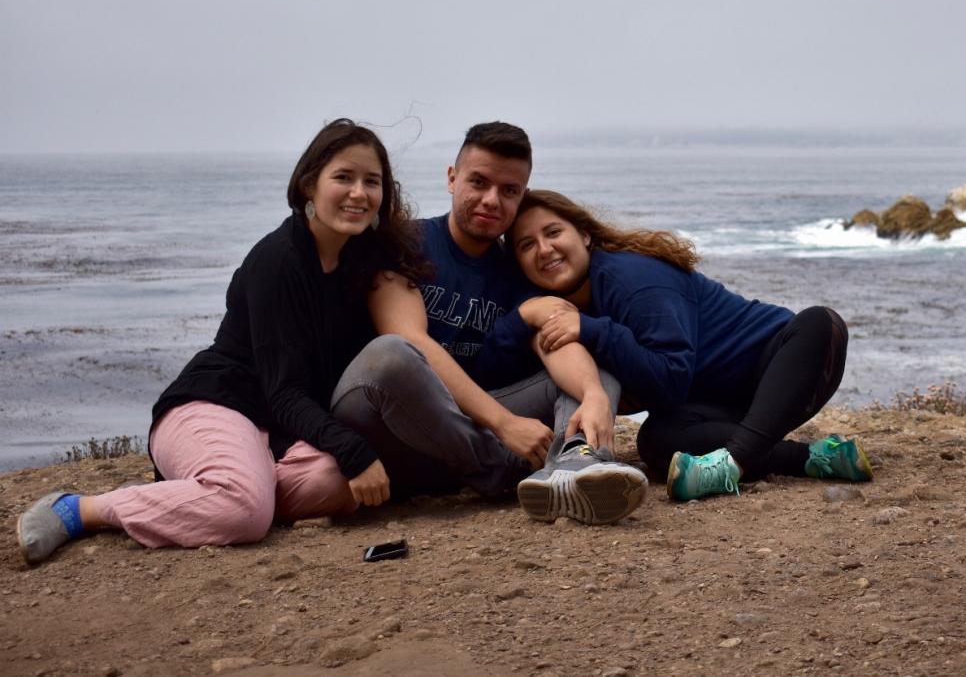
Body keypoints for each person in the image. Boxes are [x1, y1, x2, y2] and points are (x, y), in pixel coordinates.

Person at [18, 119, 432, 565]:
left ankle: (222, 492)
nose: (359, 192)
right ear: (310, 185)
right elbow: (285, 391)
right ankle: (82, 508)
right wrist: (352, 449)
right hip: (212, 406)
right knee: (249, 512)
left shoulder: (359, 263)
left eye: (372, 182)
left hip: (273, 430)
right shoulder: (277, 261)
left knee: (336, 482)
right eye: (344, 177)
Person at [476, 189, 872, 502]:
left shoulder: (633, 277)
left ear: (583, 234)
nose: (544, 249)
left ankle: (730, 464)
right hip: (720, 405)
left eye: (553, 232)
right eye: (526, 246)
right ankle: (821, 457)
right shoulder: (552, 307)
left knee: (821, 321)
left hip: (782, 369)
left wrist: (594, 330)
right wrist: (523, 315)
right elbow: (491, 371)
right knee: (657, 441)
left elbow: (669, 380)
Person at [361, 123, 648, 525]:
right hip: (385, 421)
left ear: (521, 196)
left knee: (593, 362)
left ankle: (575, 464)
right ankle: (503, 471)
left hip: (459, 434)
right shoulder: (406, 241)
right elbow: (410, 341)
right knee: (393, 354)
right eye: (478, 182)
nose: (491, 200)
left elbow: (554, 335)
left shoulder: (515, 270)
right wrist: (504, 423)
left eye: (509, 190)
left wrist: (592, 393)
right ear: (451, 178)